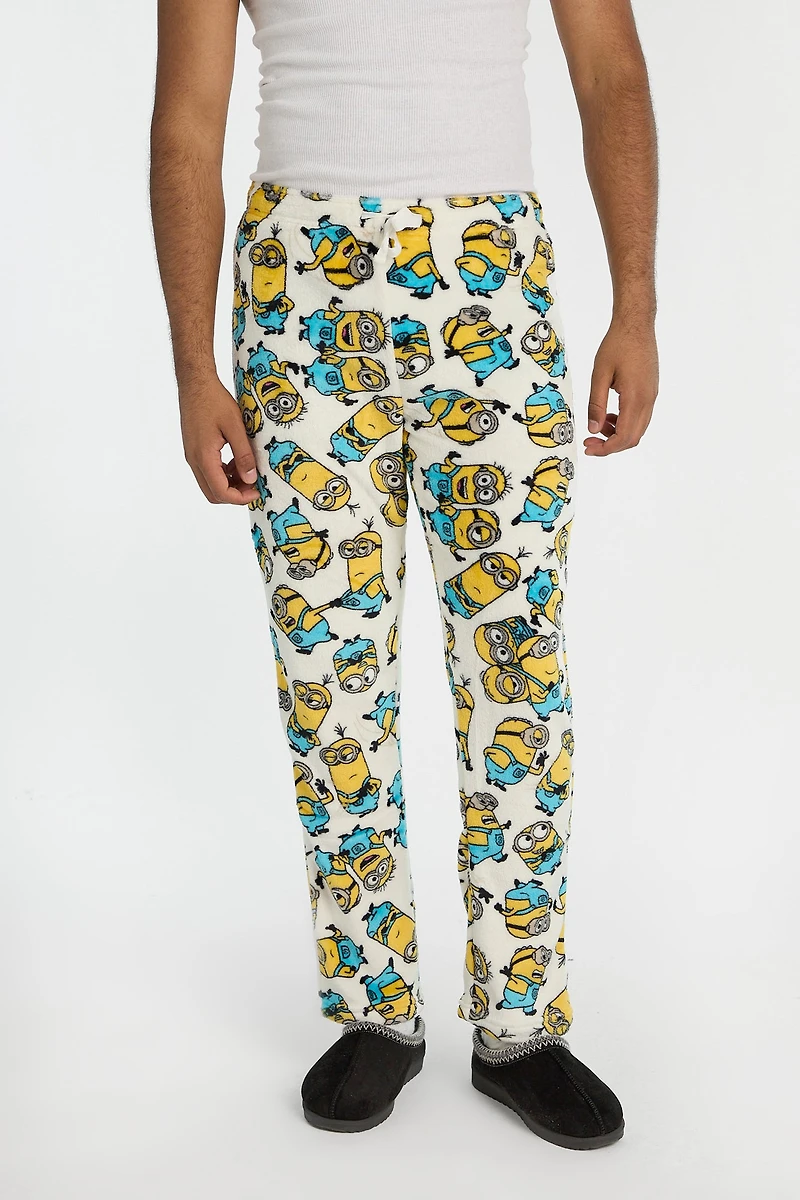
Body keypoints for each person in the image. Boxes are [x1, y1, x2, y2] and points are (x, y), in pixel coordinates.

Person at [149, 0, 658, 1148]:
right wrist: (192, 368)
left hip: (491, 286)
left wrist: (635, 305)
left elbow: (609, 74)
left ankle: (517, 1025)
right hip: (298, 300)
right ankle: (374, 1009)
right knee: (328, 677)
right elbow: (185, 122)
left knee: (515, 668)